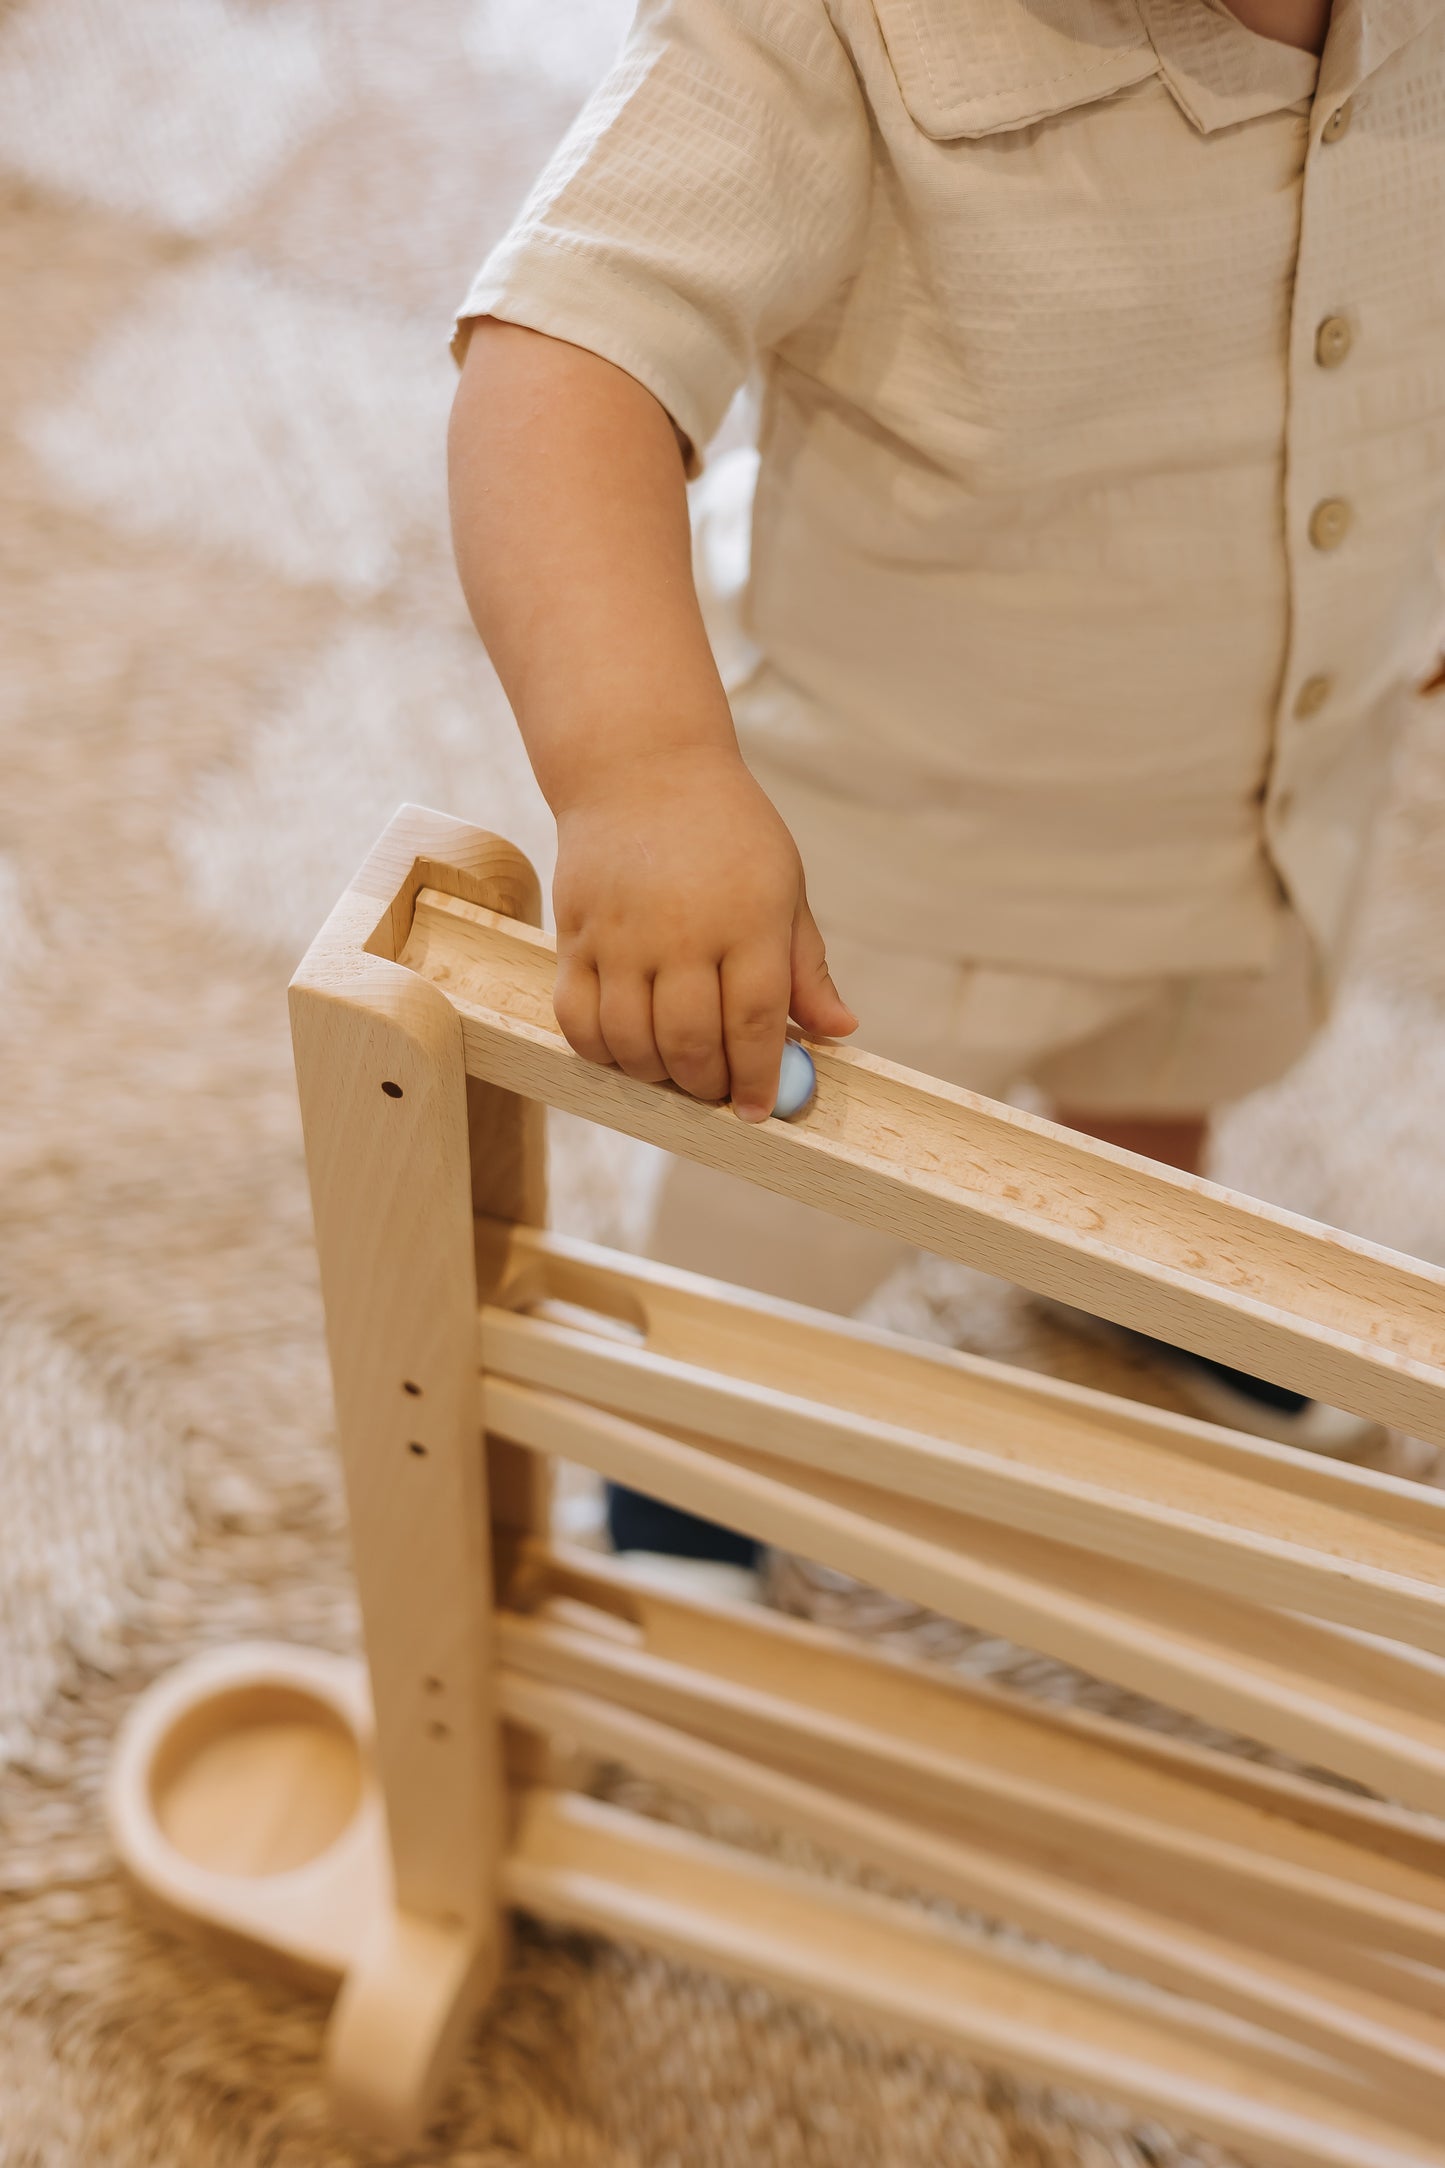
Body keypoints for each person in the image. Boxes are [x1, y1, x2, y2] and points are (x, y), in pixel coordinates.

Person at [448, 0, 1445, 1548]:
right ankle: (686, 1475)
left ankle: (1124, 1262)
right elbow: (565, 358)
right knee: (777, 1214)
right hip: (895, 864)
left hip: (1261, 798)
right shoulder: (816, 32)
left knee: (1166, 1071)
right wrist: (644, 773)